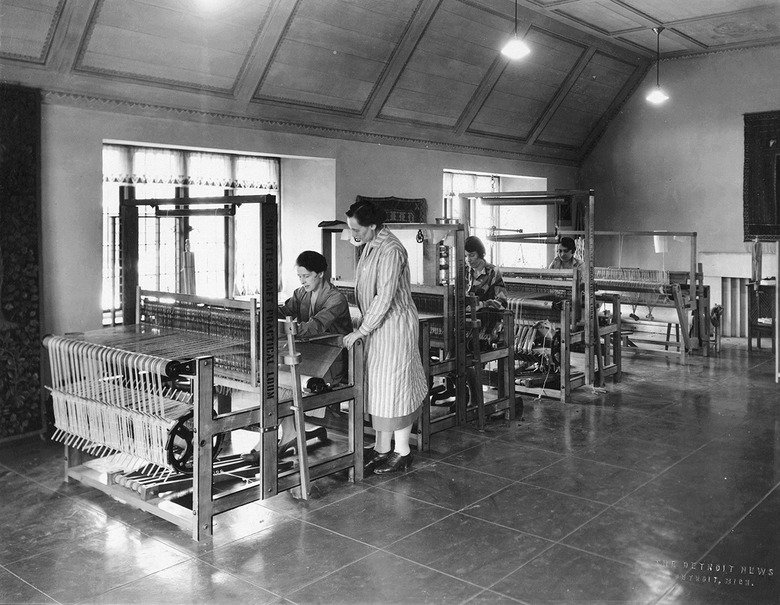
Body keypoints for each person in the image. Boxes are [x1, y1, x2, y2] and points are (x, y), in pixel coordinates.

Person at [243, 250, 352, 464]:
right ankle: (289, 432)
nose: (302, 281)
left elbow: (317, 325)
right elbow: (286, 310)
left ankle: (280, 435)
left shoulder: (336, 299)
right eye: (300, 276)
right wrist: (264, 313)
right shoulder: (301, 293)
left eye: (307, 276)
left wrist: (286, 328)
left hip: (332, 359)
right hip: (310, 354)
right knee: (277, 379)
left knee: (283, 381)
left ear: (320, 273)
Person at [342, 201, 427, 474]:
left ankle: (402, 451)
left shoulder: (391, 249)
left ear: (373, 226)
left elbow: (385, 296)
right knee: (378, 390)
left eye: (357, 228)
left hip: (394, 326)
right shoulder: (370, 244)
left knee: (396, 389)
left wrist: (361, 330)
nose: (353, 233)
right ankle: (381, 448)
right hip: (378, 325)